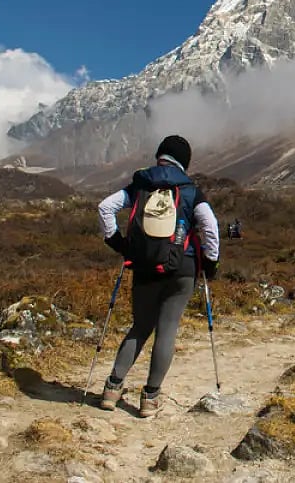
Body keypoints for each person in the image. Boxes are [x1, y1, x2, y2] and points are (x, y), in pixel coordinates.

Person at [96, 135, 220, 417]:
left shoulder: (140, 185)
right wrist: (210, 263)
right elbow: (210, 227)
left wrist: (119, 243)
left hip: (144, 266)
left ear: (160, 156)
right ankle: (150, 398)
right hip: (182, 268)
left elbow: (105, 207)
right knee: (167, 330)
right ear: (184, 161)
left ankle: (112, 389)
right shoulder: (190, 190)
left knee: (140, 327)